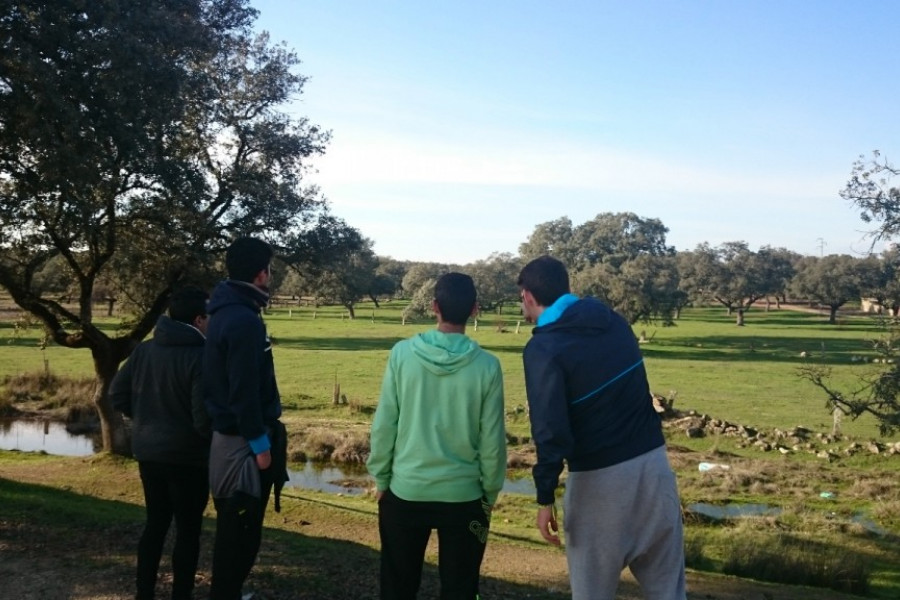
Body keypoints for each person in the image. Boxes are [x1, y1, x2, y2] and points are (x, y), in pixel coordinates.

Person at [517, 256, 686, 600]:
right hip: (654, 467)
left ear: (528, 296)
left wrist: (545, 495)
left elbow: (550, 430)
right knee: (669, 592)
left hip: (599, 482)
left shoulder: (544, 348)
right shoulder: (615, 322)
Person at [367, 272, 507, 600]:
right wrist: (490, 490)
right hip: (464, 497)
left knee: (397, 586)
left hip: (405, 491)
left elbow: (385, 423)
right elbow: (492, 439)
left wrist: (381, 478)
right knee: (460, 588)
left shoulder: (402, 355)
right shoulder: (488, 366)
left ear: (434, 307)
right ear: (475, 309)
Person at [110, 285, 212, 600]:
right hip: (189, 458)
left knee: (155, 524)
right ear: (198, 319)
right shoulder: (202, 355)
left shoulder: (144, 349)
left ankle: (144, 593)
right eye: (209, 317)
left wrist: (142, 418)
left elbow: (117, 394)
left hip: (148, 452)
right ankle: (181, 595)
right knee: (187, 531)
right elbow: (201, 418)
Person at [203, 237, 288, 600]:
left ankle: (229, 593)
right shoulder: (243, 321)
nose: (271, 276)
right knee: (241, 530)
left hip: (231, 439)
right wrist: (261, 446)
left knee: (236, 529)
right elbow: (243, 391)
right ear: (260, 274)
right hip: (241, 444)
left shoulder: (229, 311)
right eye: (269, 269)